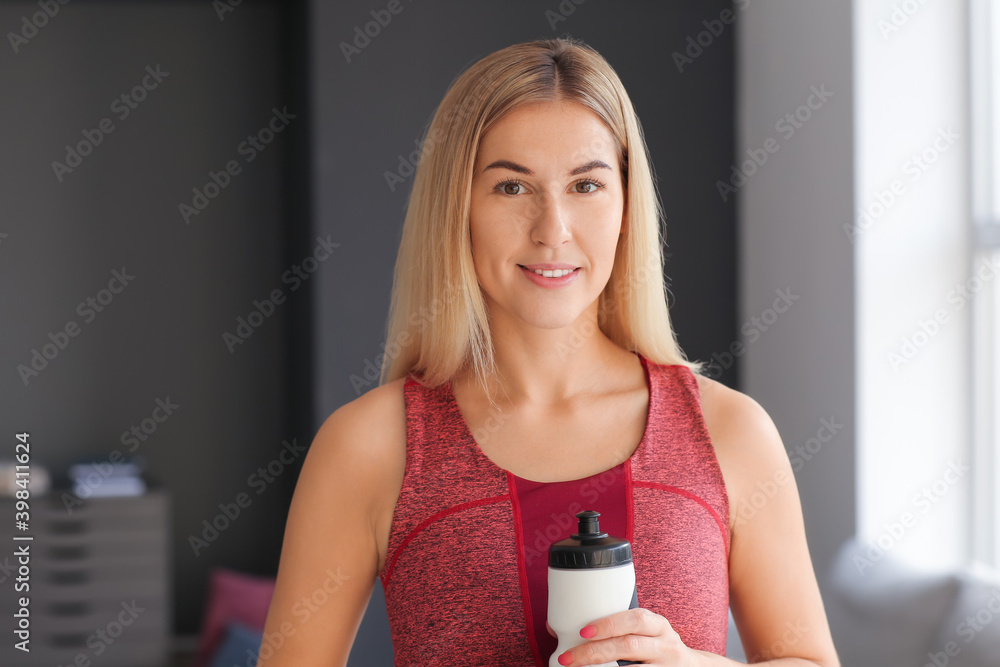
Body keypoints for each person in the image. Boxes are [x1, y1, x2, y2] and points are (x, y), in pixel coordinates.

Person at [258, 37, 841, 667]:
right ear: (458, 210)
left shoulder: (730, 431)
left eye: (586, 185)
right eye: (511, 188)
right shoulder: (369, 445)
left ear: (625, 206)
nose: (552, 229)